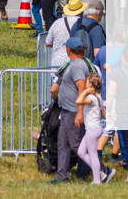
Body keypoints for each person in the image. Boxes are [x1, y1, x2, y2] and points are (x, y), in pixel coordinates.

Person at [50, 37, 93, 184]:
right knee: (63, 145)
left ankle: (102, 171)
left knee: (76, 145)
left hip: (73, 111)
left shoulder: (77, 66)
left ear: (68, 49)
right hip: (66, 110)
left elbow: (82, 88)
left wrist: (80, 112)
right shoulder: (73, 64)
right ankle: (62, 176)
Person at [76, 73, 114, 183]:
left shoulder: (92, 97)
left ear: (91, 85)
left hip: (92, 129)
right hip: (94, 128)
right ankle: (100, 173)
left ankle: (97, 180)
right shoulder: (98, 97)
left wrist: (86, 92)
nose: (85, 84)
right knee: (81, 152)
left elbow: (78, 101)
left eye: (87, 82)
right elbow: (103, 113)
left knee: (93, 155)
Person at [45, 0, 86, 66]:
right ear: (81, 11)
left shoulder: (57, 22)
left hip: (57, 61)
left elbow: (48, 43)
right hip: (76, 62)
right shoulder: (83, 23)